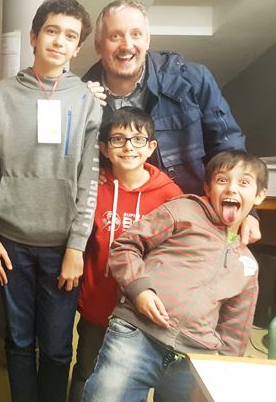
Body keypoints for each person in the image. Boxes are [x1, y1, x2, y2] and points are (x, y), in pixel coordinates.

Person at [0, 0, 102, 401]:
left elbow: (89, 179)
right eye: (51, 31)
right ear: (33, 36)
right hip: (10, 241)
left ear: (77, 47)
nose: (59, 41)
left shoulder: (85, 100)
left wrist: (77, 246)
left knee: (57, 346)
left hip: (61, 246)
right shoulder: (2, 94)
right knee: (17, 341)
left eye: (70, 36)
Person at [82, 150, 266, 402]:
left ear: (259, 195)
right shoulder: (182, 210)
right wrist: (139, 290)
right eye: (222, 180)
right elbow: (125, 246)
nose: (232, 188)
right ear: (207, 188)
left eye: (244, 182)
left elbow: (235, 330)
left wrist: (219, 374)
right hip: (137, 335)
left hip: (194, 357)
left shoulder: (248, 265)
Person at [82, 0, 260, 244]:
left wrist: (247, 211)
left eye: (136, 34)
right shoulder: (81, 97)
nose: (127, 45)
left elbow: (228, 149)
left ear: (147, 40)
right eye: (115, 36)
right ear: (98, 45)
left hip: (192, 225)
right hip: (118, 230)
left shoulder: (191, 81)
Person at [68, 107, 182, 402]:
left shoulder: (170, 195)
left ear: (151, 147)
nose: (128, 146)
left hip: (139, 311)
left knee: (127, 381)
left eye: (137, 139)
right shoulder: (92, 188)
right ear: (104, 148)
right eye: (118, 139)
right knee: (86, 370)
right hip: (97, 302)